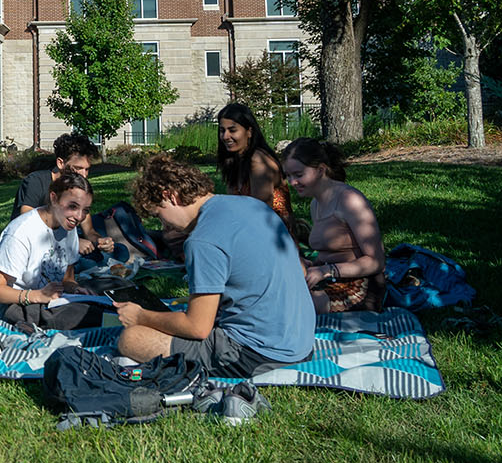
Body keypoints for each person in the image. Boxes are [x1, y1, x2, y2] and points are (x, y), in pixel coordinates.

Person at [114, 155, 314, 378]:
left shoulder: (202, 240)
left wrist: (141, 316)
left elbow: (197, 327)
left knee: (130, 338)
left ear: (169, 196)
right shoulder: (253, 205)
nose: (164, 225)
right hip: (300, 342)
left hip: (258, 354)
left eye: (159, 215)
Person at [281, 138, 387, 313]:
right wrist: (312, 264)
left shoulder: (350, 200)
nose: (292, 182)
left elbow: (376, 261)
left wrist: (327, 270)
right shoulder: (315, 204)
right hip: (330, 279)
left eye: (298, 175)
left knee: (290, 306)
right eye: (288, 175)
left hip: (361, 285)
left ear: (321, 170)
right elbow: (331, 252)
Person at [0, 172, 104, 329]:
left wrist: (75, 288)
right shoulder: (21, 232)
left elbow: (67, 279)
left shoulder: (68, 227)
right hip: (17, 304)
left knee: (101, 305)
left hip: (51, 301)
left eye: (85, 210)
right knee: (91, 318)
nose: (79, 216)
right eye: (73, 206)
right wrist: (35, 296)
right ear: (54, 198)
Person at [11, 133, 129, 271]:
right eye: (78, 168)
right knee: (88, 263)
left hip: (66, 241)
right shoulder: (36, 181)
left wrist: (100, 241)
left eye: (87, 169)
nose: (84, 175)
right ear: (61, 163)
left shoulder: (78, 187)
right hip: (36, 246)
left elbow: (89, 230)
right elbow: (28, 223)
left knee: (121, 251)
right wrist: (73, 243)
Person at [216, 103, 293, 232]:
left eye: (232, 130)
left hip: (273, 236)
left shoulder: (258, 161)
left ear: (249, 132)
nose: (225, 136)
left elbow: (260, 212)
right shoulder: (234, 161)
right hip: (247, 229)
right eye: (222, 130)